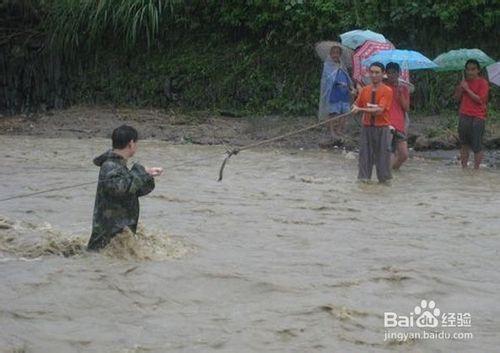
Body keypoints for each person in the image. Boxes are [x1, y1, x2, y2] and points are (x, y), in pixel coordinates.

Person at [87, 125, 163, 250]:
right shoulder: (110, 166)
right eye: (136, 143)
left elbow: (135, 191)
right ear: (131, 143)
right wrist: (141, 172)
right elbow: (122, 189)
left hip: (119, 234)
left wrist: (147, 174)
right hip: (107, 237)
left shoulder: (119, 165)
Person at [352, 62, 394, 183]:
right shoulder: (364, 90)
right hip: (366, 128)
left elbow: (379, 110)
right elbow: (356, 104)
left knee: (383, 160)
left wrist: (360, 109)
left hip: (382, 129)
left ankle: (384, 184)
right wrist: (354, 106)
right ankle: (364, 183)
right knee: (364, 158)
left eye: (377, 72)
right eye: (372, 72)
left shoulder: (387, 90)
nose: (374, 75)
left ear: (383, 74)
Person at [454, 59, 490, 169]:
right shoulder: (464, 83)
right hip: (464, 114)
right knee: (464, 144)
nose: (470, 72)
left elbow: (480, 100)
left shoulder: (483, 83)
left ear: (478, 70)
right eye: (468, 69)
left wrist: (467, 89)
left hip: (478, 116)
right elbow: (456, 99)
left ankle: (476, 169)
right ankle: (464, 168)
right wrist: (460, 88)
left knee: (477, 145)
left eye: (473, 69)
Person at [318, 45, 356, 143]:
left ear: (340, 55)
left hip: (343, 93)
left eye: (337, 53)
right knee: (333, 113)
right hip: (333, 92)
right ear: (330, 54)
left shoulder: (342, 65)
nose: (335, 55)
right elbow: (328, 79)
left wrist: (350, 86)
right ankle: (332, 131)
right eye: (333, 52)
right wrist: (338, 83)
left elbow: (347, 76)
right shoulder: (327, 65)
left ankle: (339, 129)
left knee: (344, 112)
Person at [385, 62, 410, 170]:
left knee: (404, 155)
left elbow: (406, 108)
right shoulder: (383, 87)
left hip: (399, 123)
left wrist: (400, 95)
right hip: (386, 123)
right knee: (389, 152)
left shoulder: (403, 88)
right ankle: (388, 177)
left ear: (398, 73)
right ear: (386, 73)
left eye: (394, 72)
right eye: (389, 73)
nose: (391, 75)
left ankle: (392, 172)